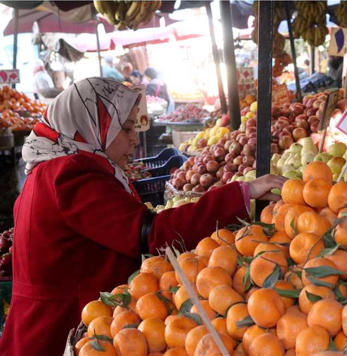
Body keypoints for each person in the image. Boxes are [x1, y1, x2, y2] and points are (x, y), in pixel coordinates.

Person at [0, 78, 284, 355]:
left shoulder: (48, 171)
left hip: (54, 324)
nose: (135, 139)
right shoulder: (70, 174)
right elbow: (151, 234)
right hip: (56, 331)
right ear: (92, 128)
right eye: (125, 129)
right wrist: (241, 194)